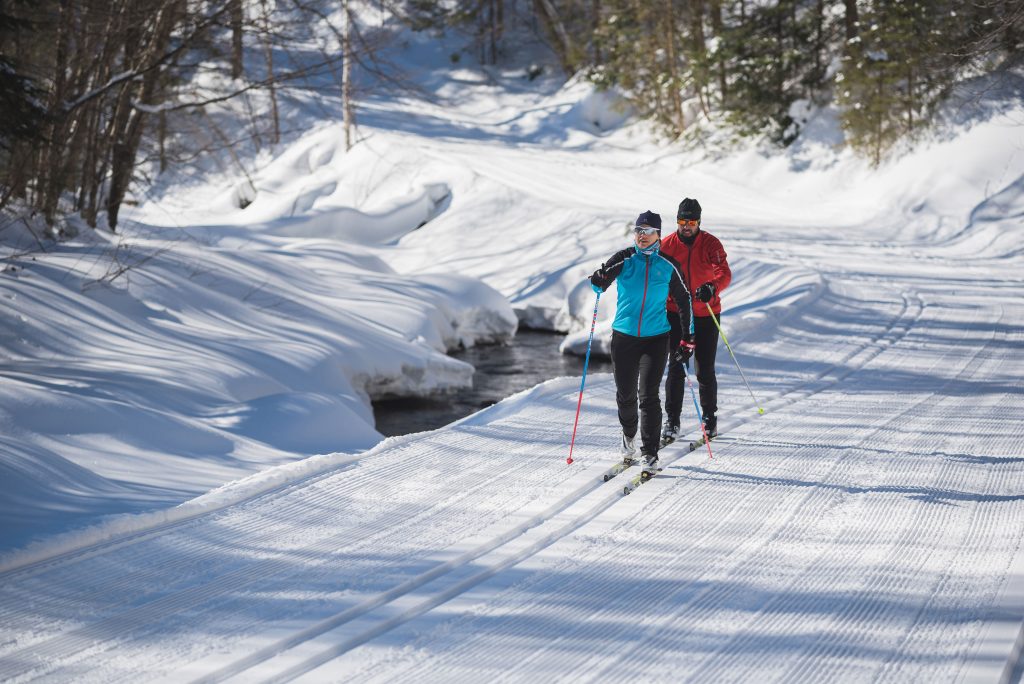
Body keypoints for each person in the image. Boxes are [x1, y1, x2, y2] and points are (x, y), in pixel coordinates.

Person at [589, 210, 693, 477]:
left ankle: (650, 453)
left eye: (647, 232)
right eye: (638, 231)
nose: (642, 236)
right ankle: (628, 436)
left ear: (658, 234)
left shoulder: (668, 265)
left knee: (648, 397)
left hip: (656, 339)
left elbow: (684, 301)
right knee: (625, 396)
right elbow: (601, 282)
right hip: (624, 338)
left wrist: (687, 337)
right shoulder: (624, 259)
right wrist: (597, 281)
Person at [659, 197, 732, 445]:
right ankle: (672, 421)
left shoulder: (711, 243)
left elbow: (724, 272)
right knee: (677, 366)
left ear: (699, 222)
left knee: (704, 368)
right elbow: (658, 275)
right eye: (682, 221)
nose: (686, 226)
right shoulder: (666, 245)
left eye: (691, 221)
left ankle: (709, 418)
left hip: (705, 313)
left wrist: (712, 287)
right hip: (676, 314)